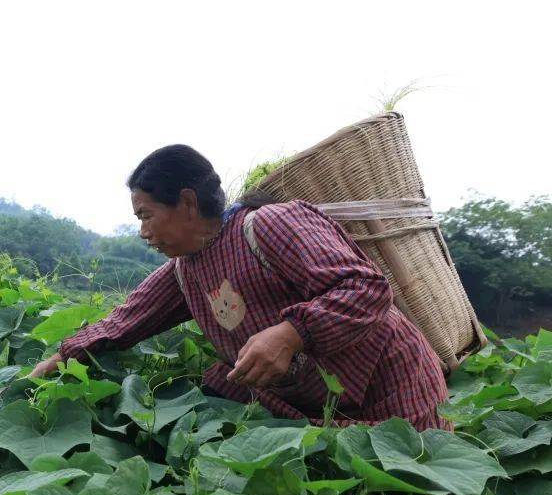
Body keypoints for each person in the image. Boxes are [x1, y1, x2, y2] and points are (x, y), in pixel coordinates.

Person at [30, 145, 448, 430]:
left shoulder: (269, 225)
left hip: (390, 392)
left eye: (146, 215)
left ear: (188, 203)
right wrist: (63, 357)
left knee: (404, 492)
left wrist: (291, 333)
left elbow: (366, 287)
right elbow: (127, 319)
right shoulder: (186, 269)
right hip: (318, 406)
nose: (142, 232)